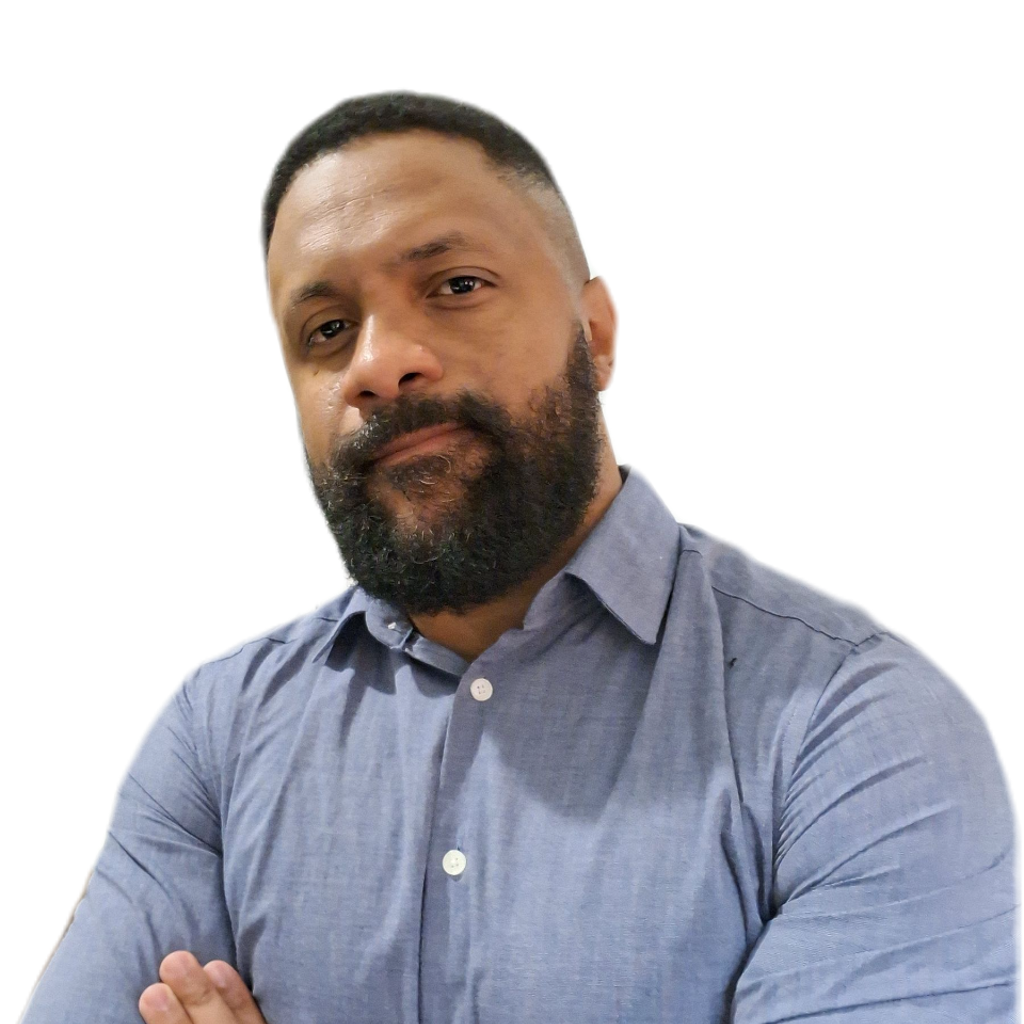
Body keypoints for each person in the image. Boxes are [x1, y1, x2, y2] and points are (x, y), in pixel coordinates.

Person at [21, 91, 1016, 1024]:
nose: (378, 362)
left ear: (595, 334)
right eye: (327, 330)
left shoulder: (855, 728)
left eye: (455, 285)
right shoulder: (219, 735)